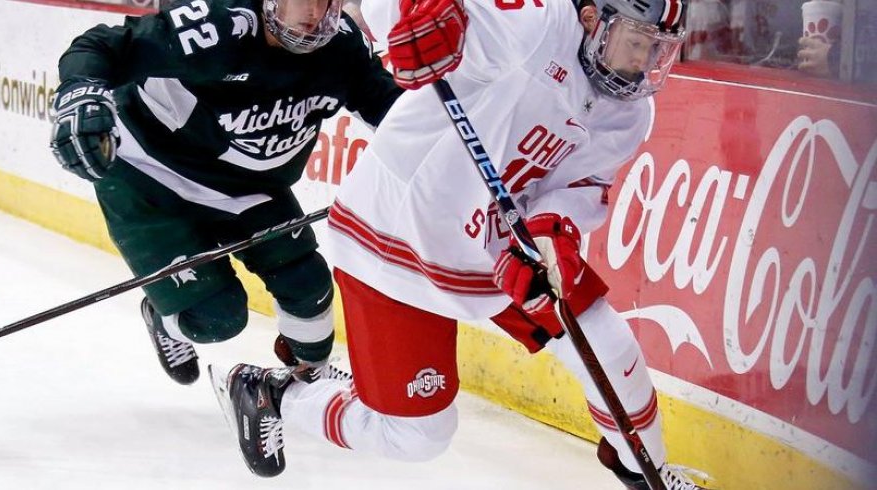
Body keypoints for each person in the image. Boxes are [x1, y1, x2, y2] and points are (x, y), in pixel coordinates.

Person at [212, 0, 709, 488]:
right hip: (401, 232)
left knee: (605, 337)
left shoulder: (629, 112)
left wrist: (549, 234)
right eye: (637, 44)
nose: (643, 64)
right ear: (590, 19)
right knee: (418, 436)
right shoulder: (535, 23)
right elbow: (396, 11)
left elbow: (578, 187)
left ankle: (644, 469)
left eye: (657, 50)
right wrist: (423, 10)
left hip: (500, 245)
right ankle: (273, 395)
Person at [49, 0, 402, 386]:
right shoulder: (214, 27)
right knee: (216, 319)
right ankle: (164, 320)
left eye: (327, 1)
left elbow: (396, 114)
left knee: (309, 288)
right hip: (151, 176)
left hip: (248, 188)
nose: (315, 14)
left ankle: (305, 387)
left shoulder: (342, 49)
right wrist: (80, 94)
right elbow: (100, 45)